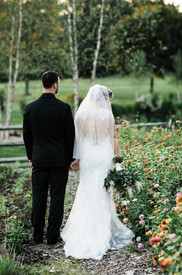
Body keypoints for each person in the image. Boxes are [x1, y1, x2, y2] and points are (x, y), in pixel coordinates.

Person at [61, 84, 134, 260]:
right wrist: (119, 159)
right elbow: (112, 138)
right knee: (103, 190)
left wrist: (76, 158)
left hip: (87, 155)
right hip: (103, 154)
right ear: (104, 99)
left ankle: (82, 229)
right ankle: (103, 228)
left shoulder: (81, 114)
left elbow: (77, 140)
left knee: (86, 188)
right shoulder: (107, 114)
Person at [23, 71, 75, 245]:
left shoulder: (30, 107)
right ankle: (52, 237)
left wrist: (31, 156)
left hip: (39, 159)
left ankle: (37, 236)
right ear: (55, 85)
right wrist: (70, 158)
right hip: (59, 160)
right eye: (58, 83)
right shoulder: (64, 108)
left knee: (38, 197)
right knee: (57, 197)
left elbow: (27, 135)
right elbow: (70, 136)